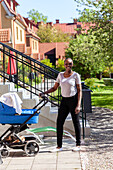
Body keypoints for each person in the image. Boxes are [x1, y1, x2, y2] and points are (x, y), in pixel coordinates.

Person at [39, 58, 82, 152]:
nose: (68, 65)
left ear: (72, 64)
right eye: (66, 64)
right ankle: (59, 146)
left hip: (73, 100)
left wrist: (78, 105)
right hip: (64, 101)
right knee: (59, 122)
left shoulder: (76, 75)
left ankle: (78, 145)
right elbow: (54, 88)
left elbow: (79, 91)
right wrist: (44, 93)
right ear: (64, 65)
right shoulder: (60, 75)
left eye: (70, 64)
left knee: (76, 122)